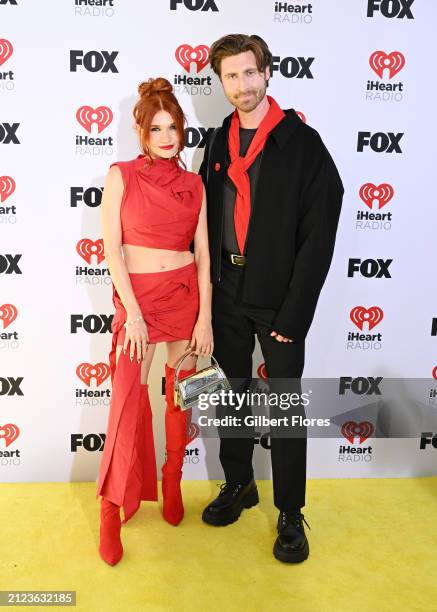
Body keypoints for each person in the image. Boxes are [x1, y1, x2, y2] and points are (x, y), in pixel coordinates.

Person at [199, 34, 344, 563]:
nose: (242, 85)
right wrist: (203, 301)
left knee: (284, 407)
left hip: (280, 299)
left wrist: (295, 313)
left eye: (249, 73)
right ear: (222, 82)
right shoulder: (217, 143)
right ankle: (240, 483)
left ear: (267, 73)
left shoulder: (303, 144)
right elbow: (204, 226)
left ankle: (290, 512)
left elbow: (320, 234)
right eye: (230, 76)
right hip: (226, 293)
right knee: (232, 393)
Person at [95, 77, 213, 566]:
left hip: (184, 294)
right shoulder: (120, 175)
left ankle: (172, 480)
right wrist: (134, 315)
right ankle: (110, 506)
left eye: (174, 128)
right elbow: (112, 251)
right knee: (126, 398)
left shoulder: (194, 183)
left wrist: (205, 317)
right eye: (157, 128)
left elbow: (203, 255)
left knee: (182, 391)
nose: (167, 138)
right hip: (137, 301)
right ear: (141, 133)